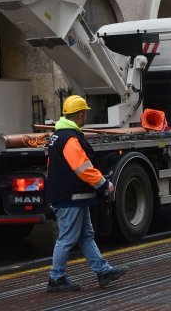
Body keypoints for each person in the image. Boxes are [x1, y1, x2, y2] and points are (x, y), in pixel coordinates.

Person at [46, 94, 128, 292]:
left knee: (85, 236)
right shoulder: (70, 138)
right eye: (85, 114)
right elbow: (83, 168)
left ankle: (103, 271)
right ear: (81, 115)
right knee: (67, 238)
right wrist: (104, 183)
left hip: (71, 197)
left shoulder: (58, 136)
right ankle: (56, 278)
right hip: (70, 198)